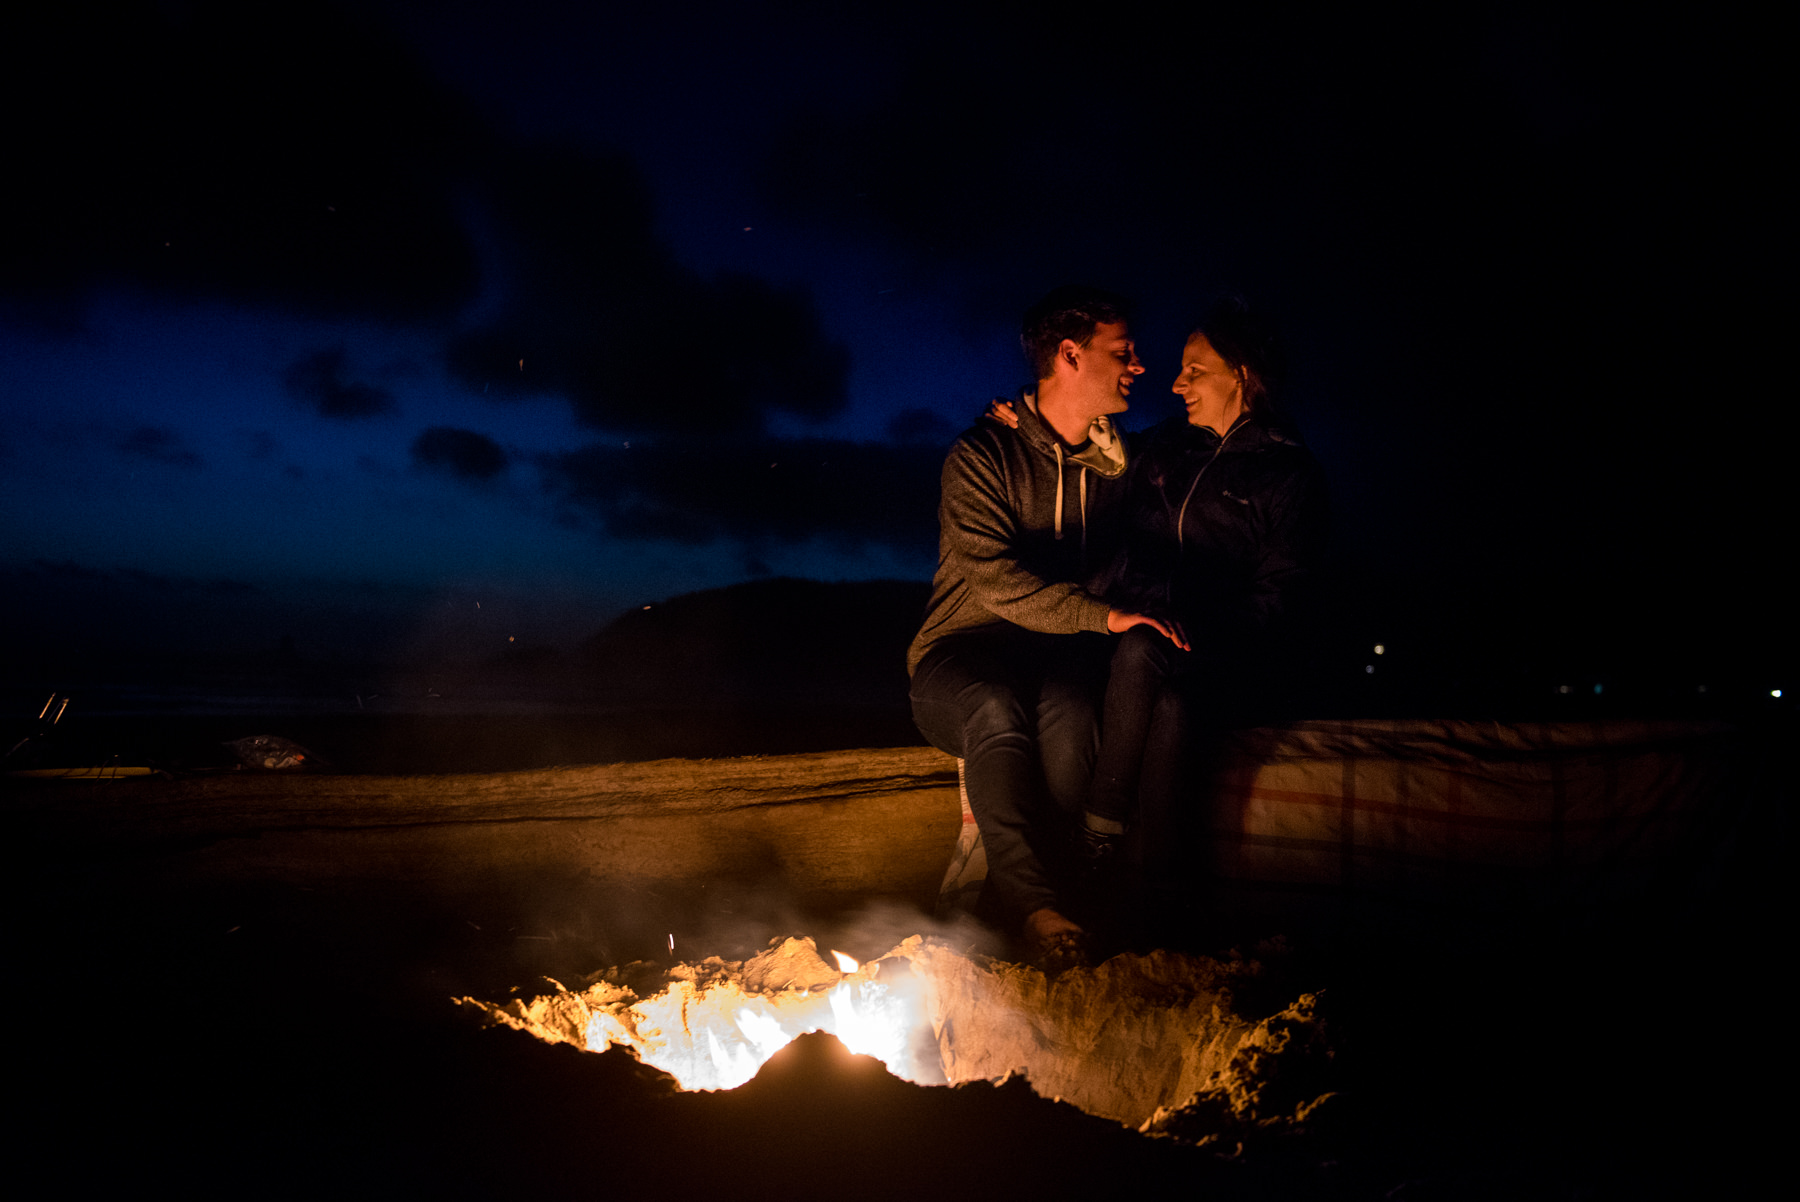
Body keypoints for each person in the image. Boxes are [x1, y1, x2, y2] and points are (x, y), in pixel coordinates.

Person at [907, 286, 1183, 971]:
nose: (1138, 365)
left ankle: (1059, 913)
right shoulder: (980, 457)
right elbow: (996, 581)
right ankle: (1034, 906)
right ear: (1068, 354)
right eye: (1121, 350)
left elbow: (1189, 461)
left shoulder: (1117, 465)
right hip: (958, 660)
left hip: (1050, 659)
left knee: (1067, 708)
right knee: (996, 705)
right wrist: (1105, 616)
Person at [1079, 299, 1326, 878]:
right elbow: (1094, 444)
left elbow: (1281, 599)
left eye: (1195, 370)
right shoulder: (1168, 442)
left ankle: (1098, 830)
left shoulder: (1288, 475)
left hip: (1230, 655)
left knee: (1156, 661)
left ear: (1241, 374)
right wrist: (1017, 414)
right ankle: (1160, 885)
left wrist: (1197, 633)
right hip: (1145, 650)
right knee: (1167, 700)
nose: (1176, 382)